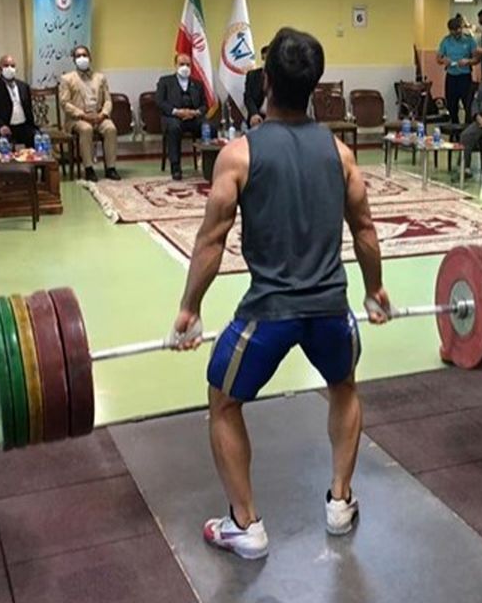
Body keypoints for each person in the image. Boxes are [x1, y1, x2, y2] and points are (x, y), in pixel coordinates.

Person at [170, 27, 389, 561]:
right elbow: (364, 229)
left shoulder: (238, 155)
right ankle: (340, 501)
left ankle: (245, 524)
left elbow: (212, 240)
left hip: (268, 312)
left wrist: (189, 308)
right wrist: (375, 289)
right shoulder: (340, 153)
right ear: (314, 85)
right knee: (344, 385)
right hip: (331, 309)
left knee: (224, 400)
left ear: (265, 81)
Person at [59, 45, 120, 181]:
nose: (82, 58)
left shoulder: (100, 78)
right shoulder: (67, 79)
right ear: (74, 60)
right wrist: (83, 115)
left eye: (84, 55)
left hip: (98, 116)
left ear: (90, 58)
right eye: (78, 56)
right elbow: (65, 103)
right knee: (86, 129)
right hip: (78, 119)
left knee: (110, 128)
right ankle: (89, 169)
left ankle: (110, 168)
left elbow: (108, 100)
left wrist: (103, 114)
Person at [156, 53, 210, 180]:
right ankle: (176, 167)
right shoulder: (165, 81)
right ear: (175, 65)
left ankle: (209, 164)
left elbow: (205, 105)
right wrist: (176, 112)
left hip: (193, 117)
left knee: (209, 127)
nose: (185, 67)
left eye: (188, 65)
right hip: (173, 118)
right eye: (181, 64)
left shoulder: (198, 83)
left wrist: (195, 112)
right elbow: (160, 102)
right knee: (174, 128)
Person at [0, 54, 35, 146]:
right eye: (6, 66)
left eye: (13, 66)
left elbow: (29, 110)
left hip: (23, 127)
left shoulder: (23, 86)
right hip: (3, 128)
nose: (10, 69)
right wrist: (0, 126)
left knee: (38, 139)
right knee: (6, 143)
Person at [437, 15, 478, 124]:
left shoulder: (469, 40)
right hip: (451, 76)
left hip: (465, 76)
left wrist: (468, 61)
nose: (456, 33)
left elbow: (476, 58)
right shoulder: (446, 41)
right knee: (451, 105)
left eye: (458, 30)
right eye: (453, 31)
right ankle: (454, 127)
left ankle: (468, 127)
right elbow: (438, 58)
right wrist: (444, 60)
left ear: (461, 28)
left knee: (468, 104)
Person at [244, 45, 268, 126]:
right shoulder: (252, 75)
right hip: (257, 117)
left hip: (277, 119)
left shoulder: (282, 76)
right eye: (264, 58)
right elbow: (248, 97)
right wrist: (254, 113)